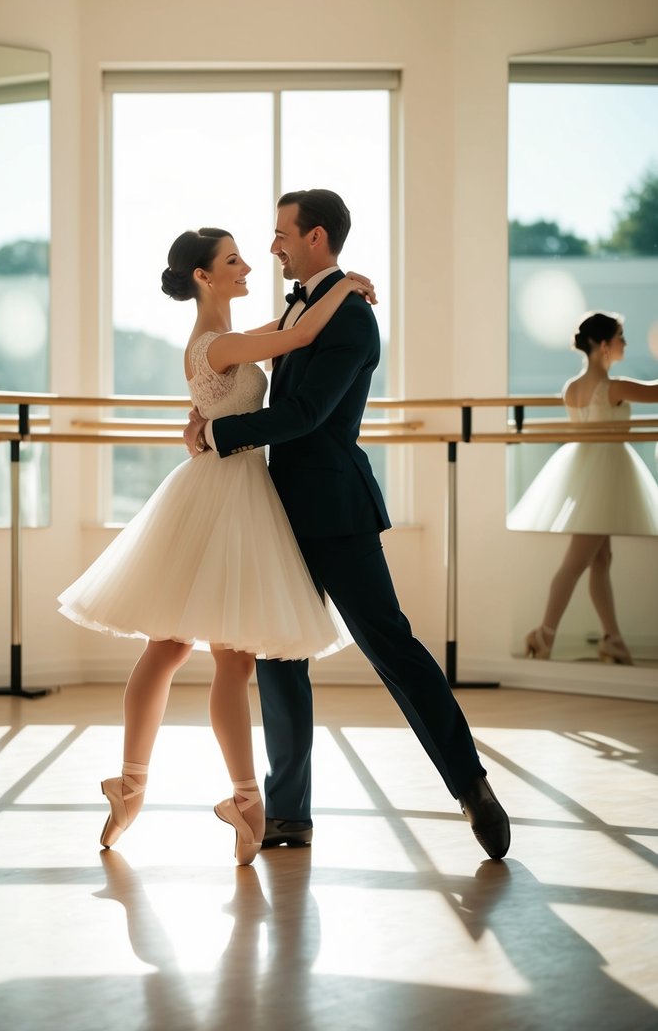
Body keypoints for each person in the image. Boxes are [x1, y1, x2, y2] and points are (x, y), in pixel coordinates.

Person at [185, 189, 511, 861]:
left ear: (317, 237)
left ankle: (470, 785)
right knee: (279, 657)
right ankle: (289, 815)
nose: (272, 245)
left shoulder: (353, 319)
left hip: (336, 509)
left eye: (281, 234)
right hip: (274, 506)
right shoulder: (304, 304)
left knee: (390, 647)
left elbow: (304, 412)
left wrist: (217, 433)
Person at [58, 227, 373, 865]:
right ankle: (233, 799)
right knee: (210, 656)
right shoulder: (222, 342)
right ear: (204, 276)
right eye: (232, 260)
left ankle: (141, 785)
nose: (247, 264)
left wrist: (330, 295)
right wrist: (345, 288)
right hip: (226, 494)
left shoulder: (216, 339)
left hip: (223, 487)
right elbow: (301, 336)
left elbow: (270, 333)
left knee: (178, 649)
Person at [508, 312, 658, 664]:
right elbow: (655, 392)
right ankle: (543, 633)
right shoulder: (615, 387)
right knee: (577, 562)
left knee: (600, 559)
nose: (625, 343)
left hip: (585, 472)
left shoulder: (571, 388)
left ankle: (612, 638)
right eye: (621, 336)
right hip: (603, 475)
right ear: (605, 345)